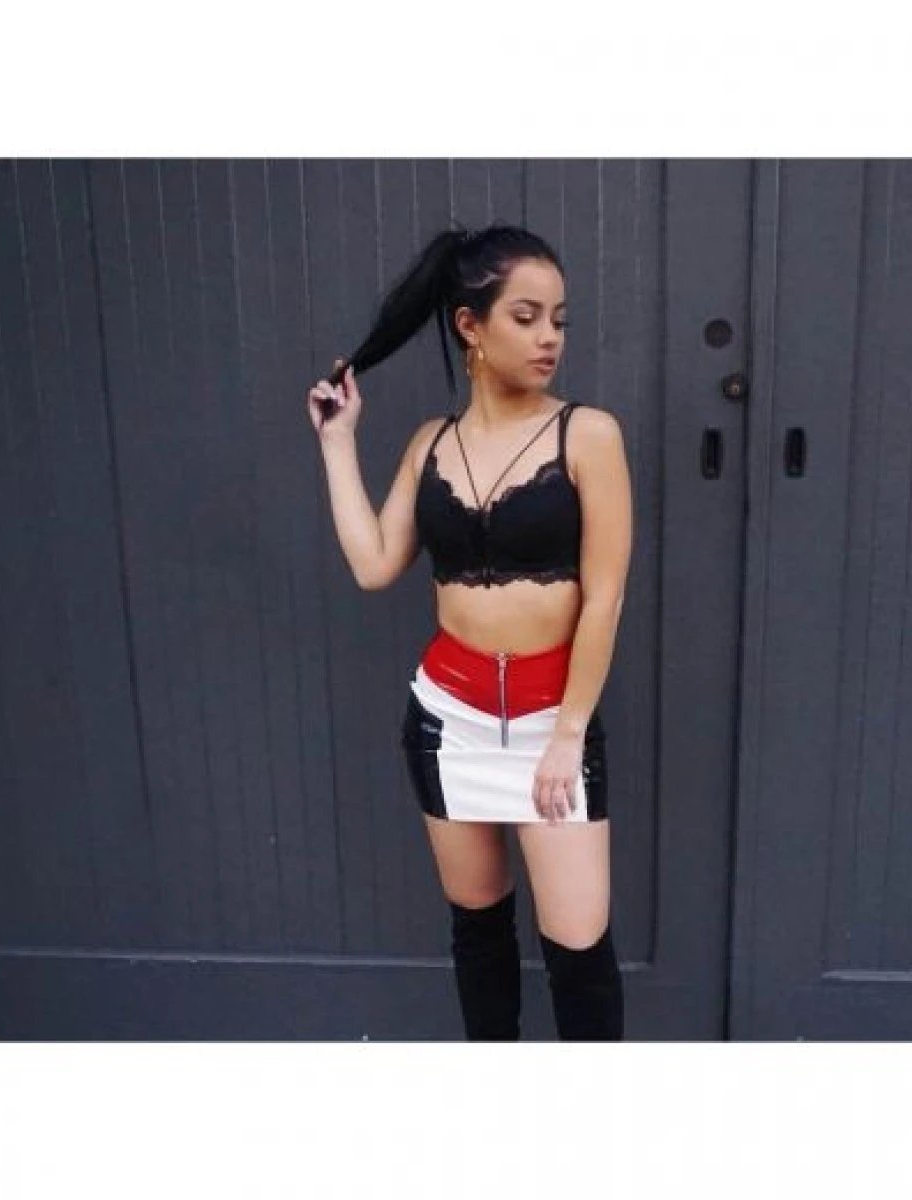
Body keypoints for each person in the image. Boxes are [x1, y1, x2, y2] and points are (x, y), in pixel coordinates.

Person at [305, 221, 632, 1040]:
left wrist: (568, 735)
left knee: (580, 958)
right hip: (447, 722)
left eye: (559, 318)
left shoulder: (588, 435)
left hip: (552, 724)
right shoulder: (431, 444)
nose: (550, 336)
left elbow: (605, 597)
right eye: (527, 316)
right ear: (470, 326)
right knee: (479, 934)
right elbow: (375, 564)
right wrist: (338, 443)